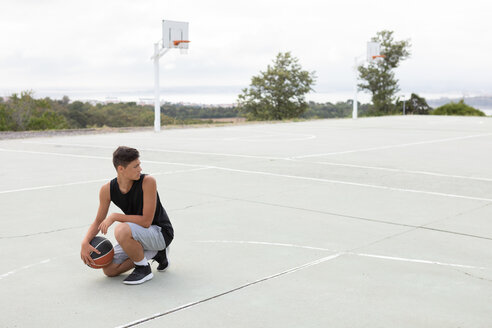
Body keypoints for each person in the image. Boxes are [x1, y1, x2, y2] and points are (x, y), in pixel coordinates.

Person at [80, 146, 174, 285]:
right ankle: (157, 253)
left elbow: (146, 221)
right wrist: (85, 242)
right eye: (135, 166)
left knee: (121, 229)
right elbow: (98, 221)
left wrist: (115, 216)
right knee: (110, 270)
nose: (140, 169)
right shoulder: (107, 190)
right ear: (121, 169)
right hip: (138, 234)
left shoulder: (148, 182)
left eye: (139, 165)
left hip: (160, 233)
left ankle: (143, 268)